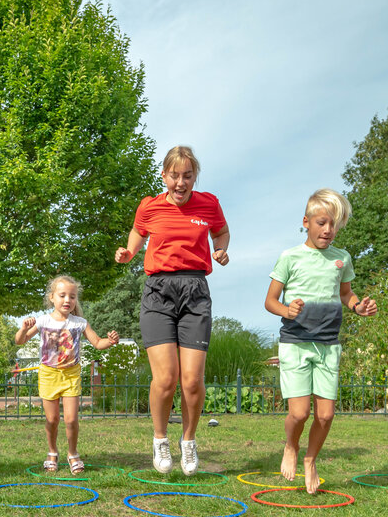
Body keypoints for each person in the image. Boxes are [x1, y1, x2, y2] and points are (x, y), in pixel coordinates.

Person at [115, 146, 229, 475]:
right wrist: (130, 251)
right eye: (174, 175)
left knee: (191, 380)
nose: (181, 182)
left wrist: (220, 250)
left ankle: (189, 441)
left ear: (195, 177)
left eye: (188, 175)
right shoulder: (150, 206)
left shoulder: (208, 203)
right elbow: (139, 231)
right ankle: (160, 439)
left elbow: (221, 231)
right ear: (164, 176)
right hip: (158, 292)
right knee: (166, 379)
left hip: (194, 291)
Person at [264, 189, 377, 493]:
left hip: (328, 344)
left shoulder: (342, 258)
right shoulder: (290, 257)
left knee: (325, 415)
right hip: (295, 342)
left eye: (334, 225)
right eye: (322, 223)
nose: (328, 230)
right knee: (299, 413)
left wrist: (358, 306)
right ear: (306, 222)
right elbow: (270, 301)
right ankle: (291, 445)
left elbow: (345, 294)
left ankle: (310, 459)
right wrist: (287, 310)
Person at [14, 275, 119, 474]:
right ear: (52, 297)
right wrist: (23, 329)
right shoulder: (44, 321)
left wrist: (111, 341)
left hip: (71, 374)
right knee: (52, 419)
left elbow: (98, 343)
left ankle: (73, 454)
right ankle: (52, 452)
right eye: (62, 295)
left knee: (71, 419)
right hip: (49, 374)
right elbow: (20, 341)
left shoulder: (79, 323)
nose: (67, 300)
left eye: (72, 296)